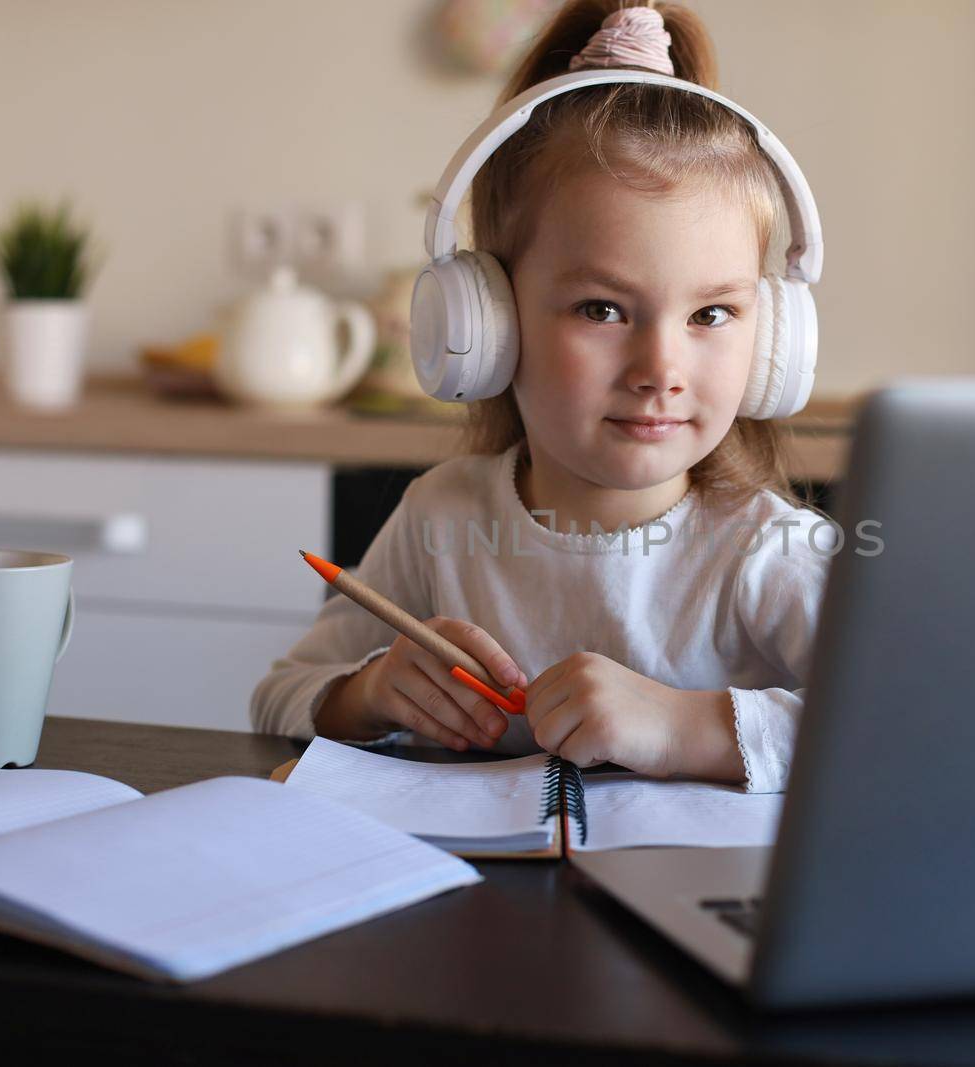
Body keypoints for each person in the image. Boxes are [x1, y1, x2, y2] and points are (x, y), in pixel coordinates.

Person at [251, 0, 828, 793]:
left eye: (711, 314)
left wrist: (682, 725)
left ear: (770, 341)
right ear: (488, 321)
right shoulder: (441, 517)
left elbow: (923, 720)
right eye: (603, 310)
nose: (661, 366)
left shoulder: (768, 552)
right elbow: (280, 695)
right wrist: (370, 691)